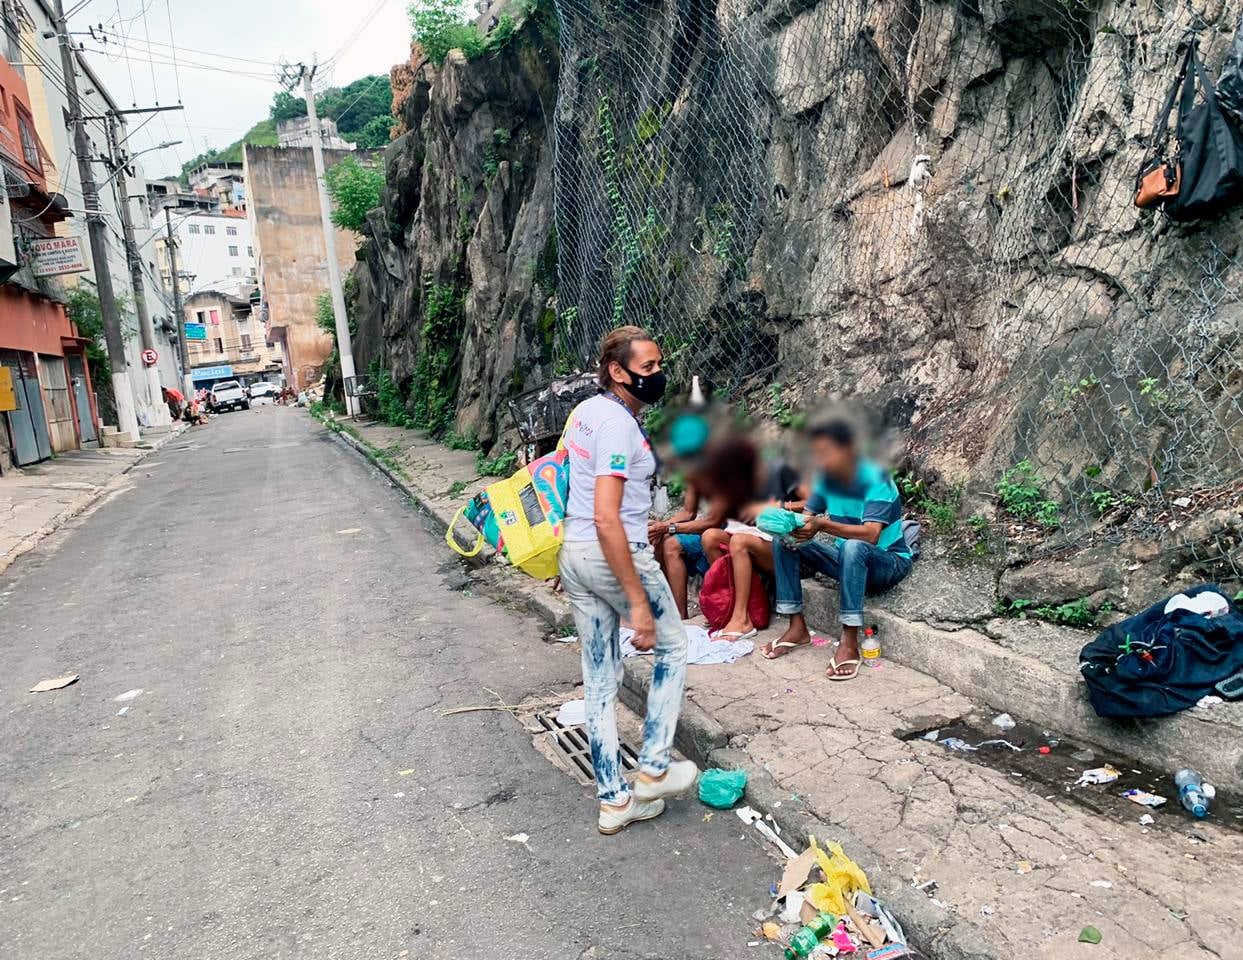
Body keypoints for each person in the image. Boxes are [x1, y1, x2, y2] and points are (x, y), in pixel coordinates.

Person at [559, 325, 698, 835]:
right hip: (613, 551)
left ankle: (615, 801)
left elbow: (563, 479)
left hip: (576, 552)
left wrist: (571, 560)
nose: (658, 375)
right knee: (673, 646)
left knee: (600, 678)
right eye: (648, 368)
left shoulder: (585, 413)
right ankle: (654, 768)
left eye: (659, 365)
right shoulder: (617, 425)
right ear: (617, 371)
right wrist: (637, 602)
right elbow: (607, 516)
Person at [761, 419, 912, 680]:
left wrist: (822, 525)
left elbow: (871, 535)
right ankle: (797, 627)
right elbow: (808, 519)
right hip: (847, 561)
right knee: (784, 541)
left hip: (888, 563)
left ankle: (849, 641)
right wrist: (786, 523)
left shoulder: (876, 479)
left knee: (854, 547)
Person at [649, 435, 760, 619]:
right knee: (661, 540)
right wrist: (660, 527)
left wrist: (668, 528)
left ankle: (681, 615)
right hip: (714, 529)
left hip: (734, 532)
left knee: (671, 542)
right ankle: (673, 611)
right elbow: (687, 512)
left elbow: (713, 521)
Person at [709, 459, 808, 641]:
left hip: (781, 548)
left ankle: (742, 620)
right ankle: (730, 609)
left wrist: (777, 507)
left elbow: (813, 502)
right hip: (750, 538)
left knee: (739, 542)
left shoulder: (781, 471)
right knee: (710, 537)